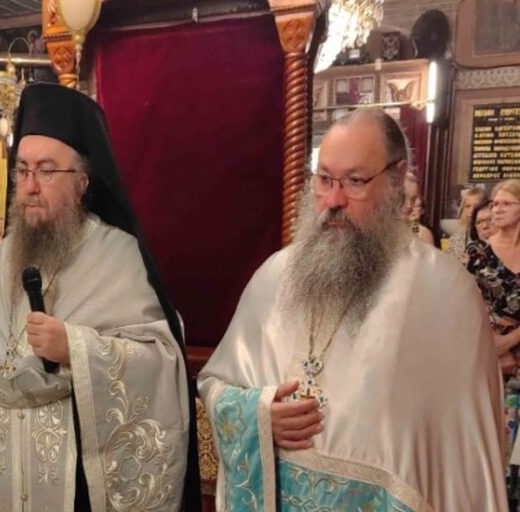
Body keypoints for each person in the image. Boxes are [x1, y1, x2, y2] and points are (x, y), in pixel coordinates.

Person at [200, 108, 506, 510]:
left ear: (396, 178)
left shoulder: (444, 293)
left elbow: (464, 464)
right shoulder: (275, 276)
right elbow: (216, 383)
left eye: (355, 182)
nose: (333, 200)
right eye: (324, 179)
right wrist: (258, 416)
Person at [0, 83, 195, 511]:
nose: (30, 186)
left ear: (81, 183)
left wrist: (76, 347)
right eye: (22, 171)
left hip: (77, 480)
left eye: (46, 171)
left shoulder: (119, 254)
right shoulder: (3, 257)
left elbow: (161, 358)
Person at [467, 180, 520, 477]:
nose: (497, 209)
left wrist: (510, 341)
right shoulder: (478, 252)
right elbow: (463, 303)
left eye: (506, 204)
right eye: (495, 203)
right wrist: (492, 348)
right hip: (484, 352)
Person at [448, 187, 488, 261]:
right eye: (467, 206)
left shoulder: (494, 234)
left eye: (476, 206)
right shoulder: (457, 237)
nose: (471, 210)